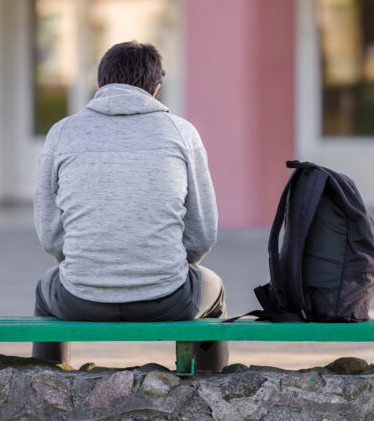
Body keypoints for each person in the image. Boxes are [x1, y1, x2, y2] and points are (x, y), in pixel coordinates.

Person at [31, 41, 228, 371]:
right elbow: (203, 234)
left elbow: (50, 236)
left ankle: (50, 389)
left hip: (79, 299)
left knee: (45, 289)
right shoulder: (181, 133)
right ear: (156, 89)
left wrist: (90, 265)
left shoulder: (62, 133)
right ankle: (209, 390)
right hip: (168, 298)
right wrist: (168, 265)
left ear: (99, 85)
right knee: (215, 290)